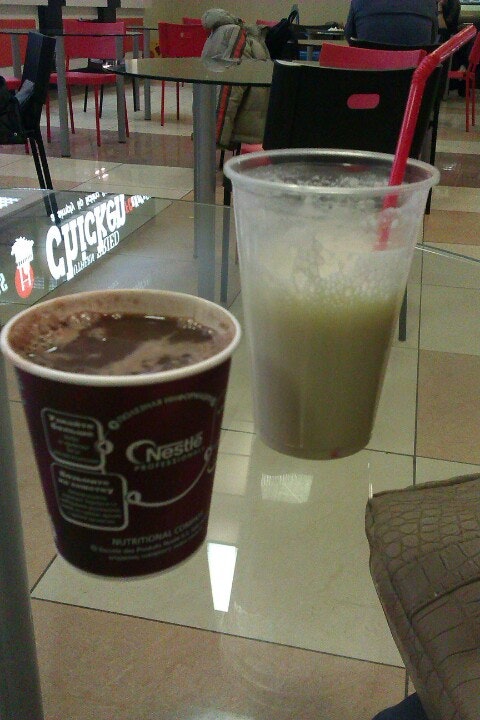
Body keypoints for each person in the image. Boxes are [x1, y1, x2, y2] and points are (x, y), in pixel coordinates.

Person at [201, 8, 270, 150]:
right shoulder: (235, 35)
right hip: (249, 124)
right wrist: (217, 136)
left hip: (207, 119)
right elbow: (230, 90)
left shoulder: (216, 34)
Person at [344, 0, 439, 46]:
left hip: (368, 76)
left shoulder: (359, 2)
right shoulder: (429, 3)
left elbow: (350, 38)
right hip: (414, 77)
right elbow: (432, 39)